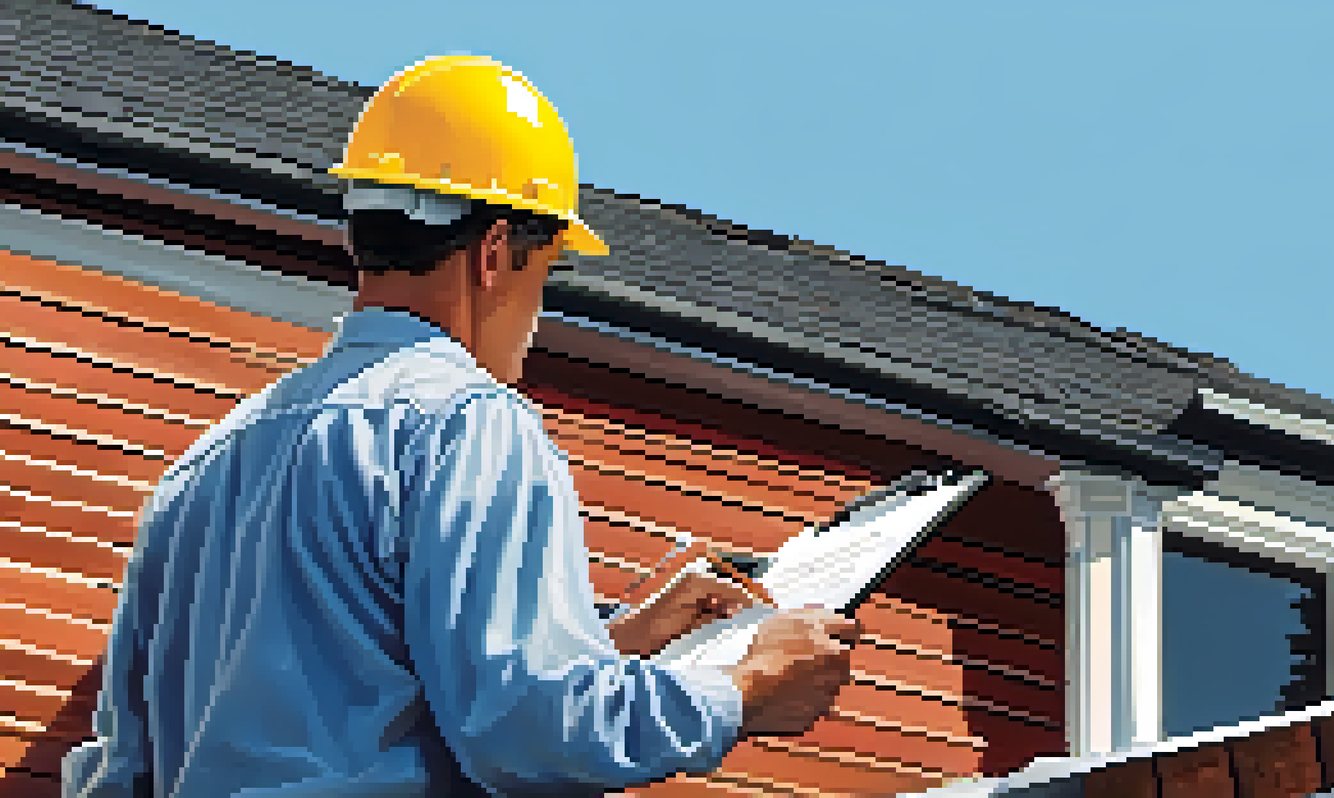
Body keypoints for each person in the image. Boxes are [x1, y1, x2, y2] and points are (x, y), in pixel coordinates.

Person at [61, 55, 858, 797]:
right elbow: (530, 730)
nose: (539, 313)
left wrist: (612, 643)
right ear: (496, 250)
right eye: (546, 273)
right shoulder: (470, 426)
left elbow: (119, 771)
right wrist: (747, 687)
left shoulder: (203, 465)